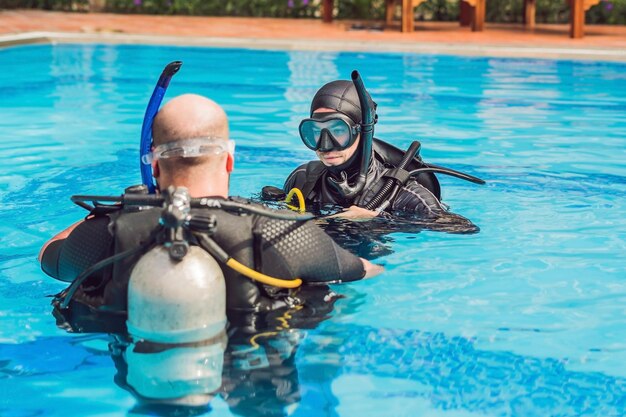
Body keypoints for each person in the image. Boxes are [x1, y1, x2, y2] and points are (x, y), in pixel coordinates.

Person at [39, 94, 382, 331]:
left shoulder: (107, 233)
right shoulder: (285, 234)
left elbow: (47, 255)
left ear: (154, 165)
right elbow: (368, 271)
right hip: (248, 363)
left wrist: (125, 208)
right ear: (229, 160)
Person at [282, 79, 483, 224]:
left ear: (362, 131)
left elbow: (462, 227)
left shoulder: (404, 194)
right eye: (315, 132)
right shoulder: (302, 180)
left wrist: (380, 219)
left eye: (338, 132)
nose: (325, 145)